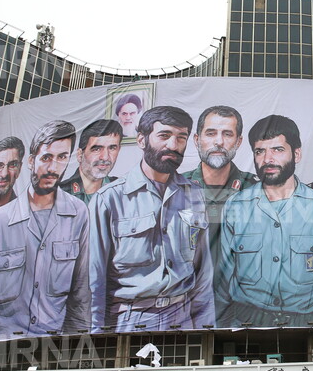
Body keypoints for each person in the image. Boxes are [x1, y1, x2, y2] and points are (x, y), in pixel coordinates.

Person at [215, 115, 313, 328]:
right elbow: (222, 281)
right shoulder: (236, 207)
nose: (267, 159)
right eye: (260, 151)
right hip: (248, 322)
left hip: (310, 324)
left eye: (277, 150)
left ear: (296, 154)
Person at [0, 121, 90, 341]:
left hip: (48, 348)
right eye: (47, 157)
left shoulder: (78, 214)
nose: (53, 167)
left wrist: (75, 351)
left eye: (62, 157)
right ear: (31, 161)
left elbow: (80, 294)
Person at [90, 106, 215, 332]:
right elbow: (94, 280)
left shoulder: (194, 195)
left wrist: (206, 329)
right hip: (129, 319)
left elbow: (203, 273)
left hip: (183, 318)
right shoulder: (110, 199)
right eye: (164, 136)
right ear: (141, 140)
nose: (173, 145)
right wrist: (97, 336)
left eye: (181, 138)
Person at [182, 106, 258, 268]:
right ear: (196, 140)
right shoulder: (176, 188)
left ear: (238, 142)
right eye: (211, 133)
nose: (219, 142)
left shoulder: (257, 190)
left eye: (227, 134)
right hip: (190, 290)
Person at [61, 119, 123, 202]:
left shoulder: (124, 190)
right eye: (97, 149)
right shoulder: (59, 194)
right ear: (80, 155)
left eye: (112, 148)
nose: (105, 157)